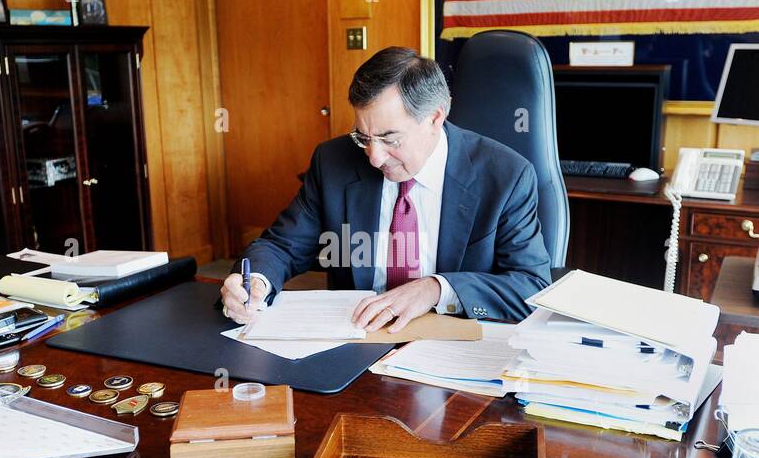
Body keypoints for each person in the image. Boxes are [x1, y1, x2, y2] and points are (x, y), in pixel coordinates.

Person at [221, 46, 551, 332]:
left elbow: (532, 288)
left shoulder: (505, 175)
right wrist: (254, 283)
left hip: (453, 344)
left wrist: (437, 289)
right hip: (356, 342)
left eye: (390, 139)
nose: (375, 158)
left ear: (435, 118)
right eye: (363, 137)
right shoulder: (333, 162)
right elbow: (283, 245)